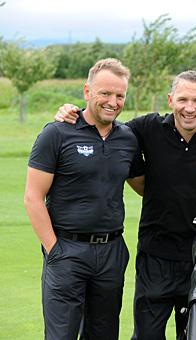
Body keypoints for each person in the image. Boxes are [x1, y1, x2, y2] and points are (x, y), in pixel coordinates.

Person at [55, 70, 196, 340]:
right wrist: (73, 112)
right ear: (170, 99)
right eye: (183, 99)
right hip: (155, 256)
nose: (190, 108)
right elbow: (104, 125)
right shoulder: (146, 128)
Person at [24, 58, 144, 340]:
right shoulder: (56, 133)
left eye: (120, 95)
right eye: (105, 93)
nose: (112, 102)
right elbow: (33, 197)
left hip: (112, 252)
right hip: (67, 250)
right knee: (61, 335)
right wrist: (54, 250)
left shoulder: (127, 138)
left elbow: (144, 186)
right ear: (87, 92)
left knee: (103, 334)